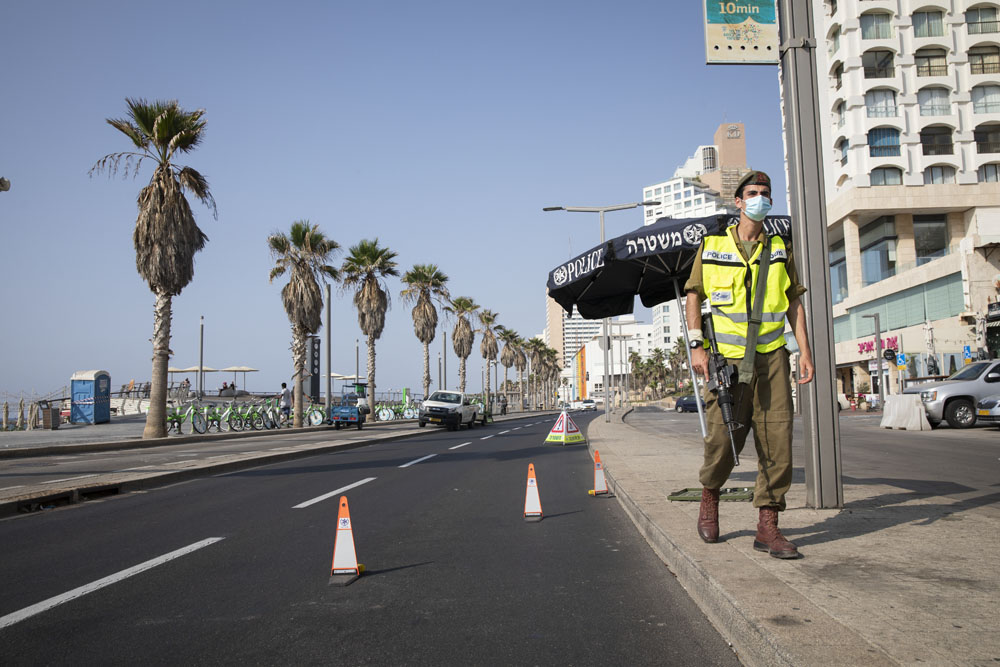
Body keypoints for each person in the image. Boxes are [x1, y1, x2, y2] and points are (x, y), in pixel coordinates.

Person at [684, 170, 814, 560]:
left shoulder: (779, 248)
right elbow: (694, 296)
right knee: (723, 440)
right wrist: (697, 348)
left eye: (766, 193)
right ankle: (710, 496)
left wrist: (805, 351)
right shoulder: (711, 246)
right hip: (727, 360)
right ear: (738, 202)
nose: (760, 198)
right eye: (753, 193)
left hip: (772, 358)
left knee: (777, 442)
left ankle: (768, 525)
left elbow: (793, 302)